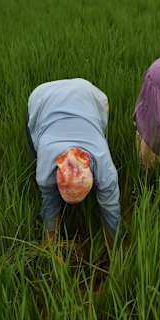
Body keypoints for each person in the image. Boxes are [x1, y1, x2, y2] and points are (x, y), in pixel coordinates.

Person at [26, 79, 120, 247]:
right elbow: (49, 198)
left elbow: (111, 206)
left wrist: (114, 245)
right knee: (36, 146)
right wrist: (50, 238)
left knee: (99, 131)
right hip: (42, 98)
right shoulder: (44, 169)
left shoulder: (105, 168)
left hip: (86, 94)